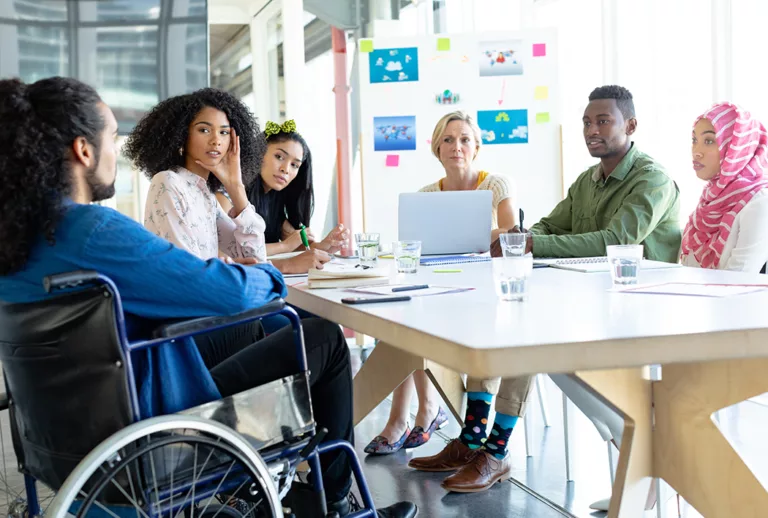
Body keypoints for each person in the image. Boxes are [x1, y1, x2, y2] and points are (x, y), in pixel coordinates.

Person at [0, 76, 416, 518]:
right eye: (112, 137)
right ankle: (330, 505)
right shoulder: (94, 231)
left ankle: (287, 493)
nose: (116, 150)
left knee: (286, 331)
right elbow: (222, 290)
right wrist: (274, 280)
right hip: (161, 424)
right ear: (84, 150)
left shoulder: (17, 244)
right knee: (323, 338)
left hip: (60, 440)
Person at [365, 111, 518, 457]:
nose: (456, 146)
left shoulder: (495, 185)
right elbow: (417, 249)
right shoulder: (426, 194)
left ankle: (419, 414)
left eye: (465, 139)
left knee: (414, 323)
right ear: (437, 148)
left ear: (476, 146)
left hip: (485, 293)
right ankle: (403, 415)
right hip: (443, 287)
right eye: (448, 140)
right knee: (403, 319)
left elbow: (512, 236)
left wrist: (470, 238)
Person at [124, 89, 331, 275]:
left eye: (224, 132)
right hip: (193, 312)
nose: (216, 140)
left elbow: (255, 256)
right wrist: (236, 266)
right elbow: (189, 270)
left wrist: (235, 186)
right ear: (181, 136)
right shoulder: (168, 182)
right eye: (204, 130)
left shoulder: (204, 194)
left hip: (214, 305)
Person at [492, 85, 681, 261]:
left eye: (603, 121)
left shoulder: (653, 180)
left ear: (630, 126)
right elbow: (550, 226)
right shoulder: (586, 180)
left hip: (643, 290)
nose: (591, 131)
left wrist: (535, 243)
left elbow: (615, 242)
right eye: (587, 123)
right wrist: (526, 236)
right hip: (592, 286)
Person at [217, 119, 349, 267]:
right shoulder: (225, 198)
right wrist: (284, 246)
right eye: (279, 157)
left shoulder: (273, 202)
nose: (286, 169)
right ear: (259, 154)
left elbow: (300, 249)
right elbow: (234, 254)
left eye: (294, 165)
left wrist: (325, 245)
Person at [681, 102, 768, 271]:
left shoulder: (760, 203)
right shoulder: (710, 199)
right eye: (694, 140)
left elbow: (738, 280)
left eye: (709, 141)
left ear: (737, 147)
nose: (696, 151)